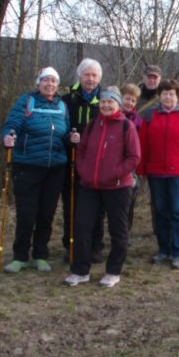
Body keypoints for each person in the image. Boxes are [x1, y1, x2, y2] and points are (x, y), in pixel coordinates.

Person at [64, 87, 141, 287]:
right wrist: (83, 170)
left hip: (118, 187)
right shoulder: (92, 125)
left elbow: (134, 157)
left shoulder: (126, 126)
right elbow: (81, 151)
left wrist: (114, 174)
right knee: (82, 227)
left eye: (110, 102)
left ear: (118, 105)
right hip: (90, 185)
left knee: (118, 230)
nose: (106, 105)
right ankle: (80, 271)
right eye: (103, 102)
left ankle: (113, 271)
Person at [1, 67, 72, 273]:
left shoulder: (62, 106)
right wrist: (8, 136)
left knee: (46, 214)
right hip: (28, 166)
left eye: (53, 81)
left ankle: (41, 255)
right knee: (26, 214)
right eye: (46, 80)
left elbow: (65, 132)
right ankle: (20, 256)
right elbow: (12, 124)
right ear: (38, 83)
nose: (50, 84)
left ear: (57, 85)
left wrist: (72, 138)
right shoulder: (27, 101)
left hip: (55, 167)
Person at [137, 79, 179, 270]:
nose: (168, 97)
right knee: (160, 211)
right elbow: (143, 144)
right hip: (155, 172)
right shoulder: (150, 115)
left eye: (171, 94)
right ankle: (164, 249)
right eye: (164, 93)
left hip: (178, 173)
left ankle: (178, 252)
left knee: (177, 211)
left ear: (177, 96)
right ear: (159, 96)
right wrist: (141, 169)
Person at [61, 58, 104, 264]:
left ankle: (95, 247)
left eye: (94, 75)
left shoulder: (105, 100)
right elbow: (60, 128)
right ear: (80, 76)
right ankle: (71, 246)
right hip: (71, 161)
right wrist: (69, 138)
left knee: (97, 207)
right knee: (72, 205)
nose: (90, 79)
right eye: (87, 74)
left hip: (97, 163)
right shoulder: (66, 100)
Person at [121, 83, 143, 236]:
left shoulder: (138, 121)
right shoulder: (112, 114)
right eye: (127, 99)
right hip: (112, 164)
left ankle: (125, 233)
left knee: (128, 203)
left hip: (130, 167)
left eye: (133, 100)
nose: (129, 103)